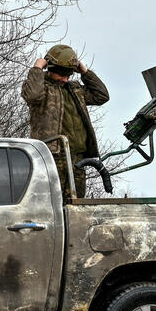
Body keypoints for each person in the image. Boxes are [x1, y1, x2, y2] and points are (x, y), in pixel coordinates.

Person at [21, 44, 109, 198]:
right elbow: (33, 96)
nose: (65, 78)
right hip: (53, 155)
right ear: (52, 69)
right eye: (62, 74)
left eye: (68, 74)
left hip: (77, 157)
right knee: (54, 201)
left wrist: (85, 72)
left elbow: (102, 96)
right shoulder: (42, 88)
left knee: (76, 203)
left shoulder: (74, 89)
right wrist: (37, 68)